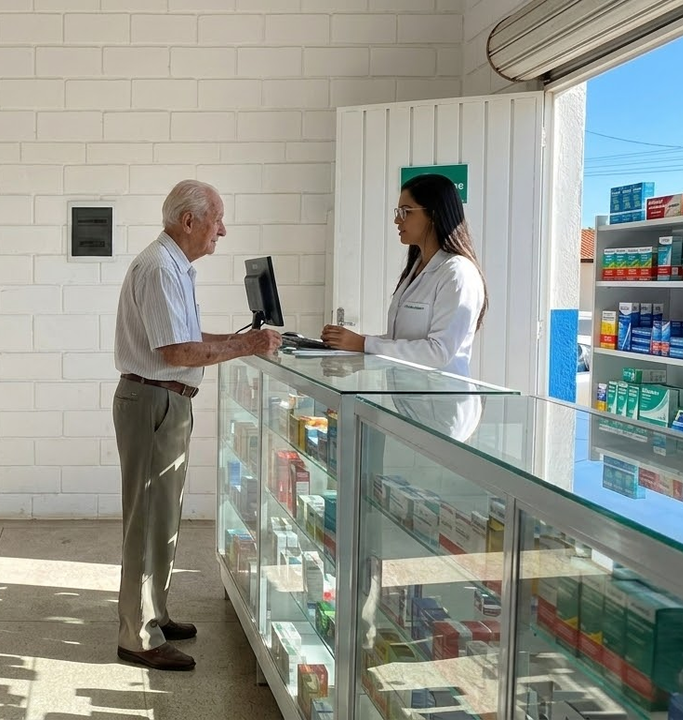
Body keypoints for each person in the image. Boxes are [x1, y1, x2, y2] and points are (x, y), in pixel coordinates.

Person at [112, 180, 281, 672]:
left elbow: (184, 338)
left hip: (165, 401)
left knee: (163, 518)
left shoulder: (174, 267)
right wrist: (246, 347)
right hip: (153, 401)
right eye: (217, 220)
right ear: (190, 221)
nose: (221, 231)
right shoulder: (160, 268)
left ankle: (154, 613)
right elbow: (177, 353)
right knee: (146, 522)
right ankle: (136, 636)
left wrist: (235, 338)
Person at [320, 173, 488, 378]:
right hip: (407, 397)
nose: (397, 220)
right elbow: (398, 341)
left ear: (433, 214)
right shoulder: (416, 268)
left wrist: (363, 344)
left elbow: (438, 352)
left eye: (405, 212)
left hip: (442, 403)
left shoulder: (458, 273)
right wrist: (351, 342)